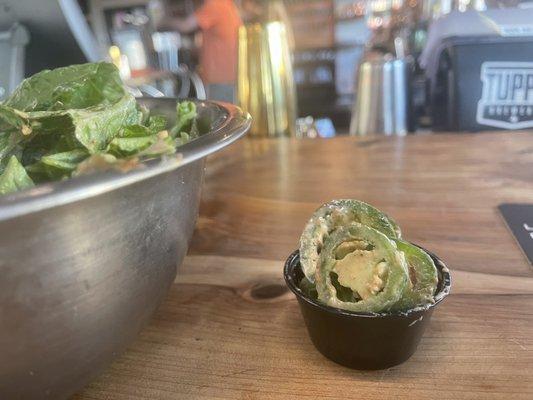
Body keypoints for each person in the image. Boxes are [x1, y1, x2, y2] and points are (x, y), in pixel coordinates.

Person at [158, 0, 242, 103]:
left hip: (219, 78)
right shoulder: (227, 4)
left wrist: (162, 21)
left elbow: (186, 25)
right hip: (229, 75)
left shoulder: (216, 4)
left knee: (220, 114)